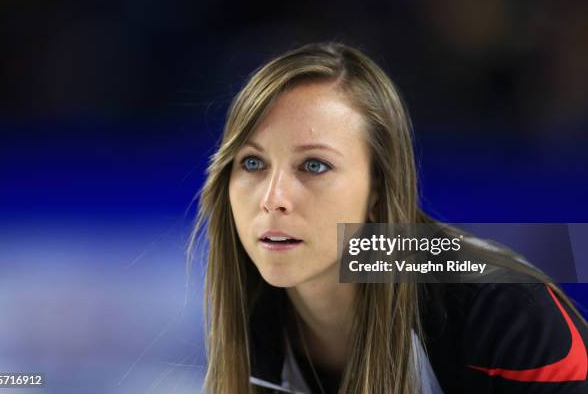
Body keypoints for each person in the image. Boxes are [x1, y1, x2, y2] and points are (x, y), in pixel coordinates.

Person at [188, 42, 588, 393]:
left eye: (313, 165)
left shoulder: (500, 307)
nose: (274, 199)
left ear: (378, 186)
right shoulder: (254, 317)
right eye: (253, 162)